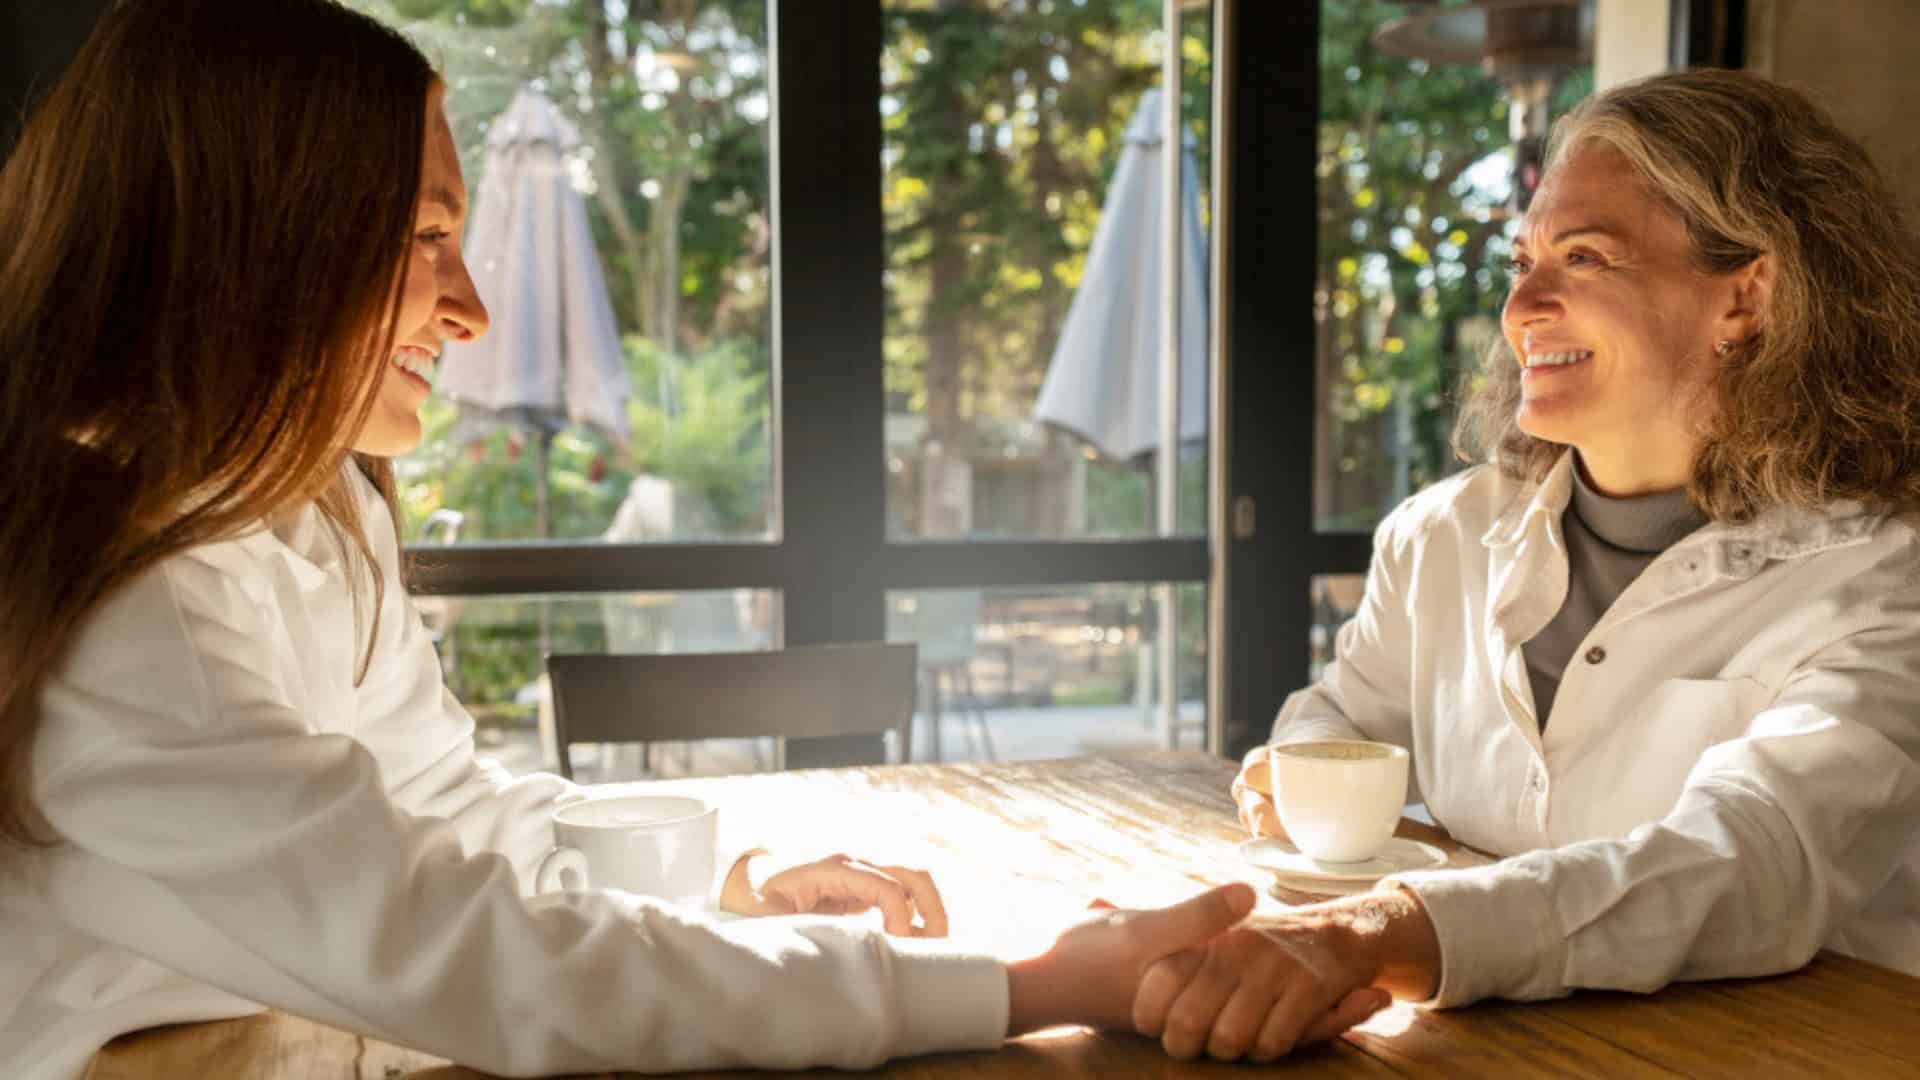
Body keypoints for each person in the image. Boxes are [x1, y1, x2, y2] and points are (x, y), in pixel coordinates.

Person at [0, 3, 1294, 1077]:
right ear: (252, 246)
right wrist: (1026, 983)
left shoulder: (305, 511)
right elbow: (470, 949)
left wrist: (738, 872)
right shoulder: (126, 603)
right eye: (429, 237)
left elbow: (445, 816)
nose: (471, 306)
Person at [1127, 67, 1920, 1063]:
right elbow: (1343, 713)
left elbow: (1752, 861)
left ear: (1747, 296)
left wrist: (1383, 933)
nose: (1523, 305)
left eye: (1583, 257)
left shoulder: (1882, 585)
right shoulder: (1442, 537)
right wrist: (1296, 770)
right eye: (1523, 260)